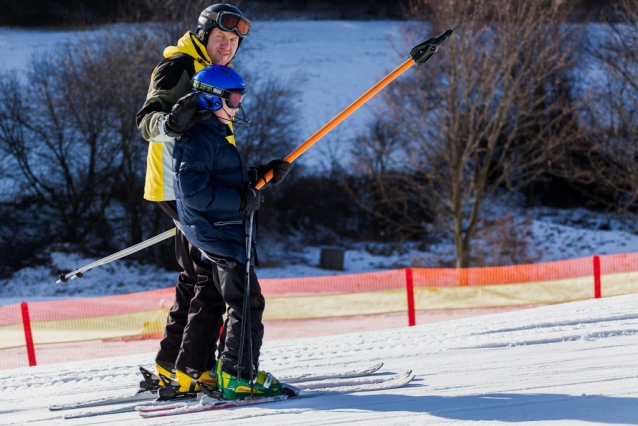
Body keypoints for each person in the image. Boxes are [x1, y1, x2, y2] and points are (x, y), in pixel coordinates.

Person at [135, 4, 252, 400]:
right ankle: (194, 369)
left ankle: (173, 365)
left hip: (197, 183)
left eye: (234, 41)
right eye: (221, 38)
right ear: (203, 35)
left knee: (194, 275)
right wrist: (168, 123)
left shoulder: (214, 74)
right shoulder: (180, 66)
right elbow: (147, 120)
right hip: (182, 184)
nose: (227, 46)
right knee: (208, 276)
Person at [173, 64, 293, 400]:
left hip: (219, 229)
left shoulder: (211, 134)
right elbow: (192, 191)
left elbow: (221, 180)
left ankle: (224, 371)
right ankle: (237, 376)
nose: (239, 104)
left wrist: (262, 173)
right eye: (235, 97)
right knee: (246, 302)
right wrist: (241, 200)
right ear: (212, 100)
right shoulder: (200, 137)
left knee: (240, 301)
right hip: (218, 231)